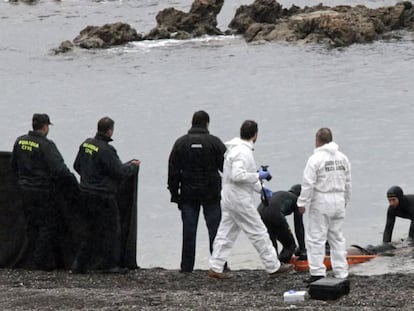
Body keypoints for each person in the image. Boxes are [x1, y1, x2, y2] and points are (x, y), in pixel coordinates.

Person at [208, 120, 294, 279]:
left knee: (225, 232)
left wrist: (260, 188)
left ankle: (216, 266)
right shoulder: (243, 152)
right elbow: (238, 175)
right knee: (258, 231)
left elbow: (239, 176)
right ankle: (273, 266)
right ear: (255, 135)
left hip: (228, 196)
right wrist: (258, 175)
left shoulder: (233, 149)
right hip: (239, 198)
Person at [72, 117, 140, 274]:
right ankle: (109, 264)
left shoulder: (86, 144)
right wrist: (133, 167)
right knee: (112, 229)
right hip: (103, 196)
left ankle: (79, 264)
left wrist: (89, 179)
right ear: (110, 130)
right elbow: (119, 172)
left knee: (91, 229)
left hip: (85, 193)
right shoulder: (106, 150)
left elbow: (77, 165)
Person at [11, 113, 78, 271]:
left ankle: (29, 259)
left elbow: (13, 164)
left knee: (31, 225)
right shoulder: (47, 145)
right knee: (46, 226)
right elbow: (60, 169)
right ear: (45, 127)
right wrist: (74, 186)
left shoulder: (19, 141)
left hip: (24, 189)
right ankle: (40, 262)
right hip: (42, 191)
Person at [168, 111, 227, 273]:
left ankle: (187, 267)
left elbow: (173, 171)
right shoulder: (214, 142)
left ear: (192, 123)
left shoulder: (180, 143)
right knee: (215, 230)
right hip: (212, 194)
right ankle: (219, 265)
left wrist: (174, 194)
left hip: (188, 195)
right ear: (207, 123)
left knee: (189, 231)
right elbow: (227, 169)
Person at [297, 128, 351, 283]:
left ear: (317, 140)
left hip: (321, 200)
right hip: (339, 199)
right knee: (337, 237)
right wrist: (346, 199)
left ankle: (317, 272)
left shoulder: (315, 159)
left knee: (316, 238)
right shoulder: (343, 158)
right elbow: (348, 182)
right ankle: (341, 271)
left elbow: (308, 183)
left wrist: (302, 202)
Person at [258, 184, 306, 263]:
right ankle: (281, 264)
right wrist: (303, 250)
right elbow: (299, 227)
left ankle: (273, 265)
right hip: (274, 214)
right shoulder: (297, 200)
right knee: (290, 246)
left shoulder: (281, 194)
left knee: (272, 244)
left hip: (260, 214)